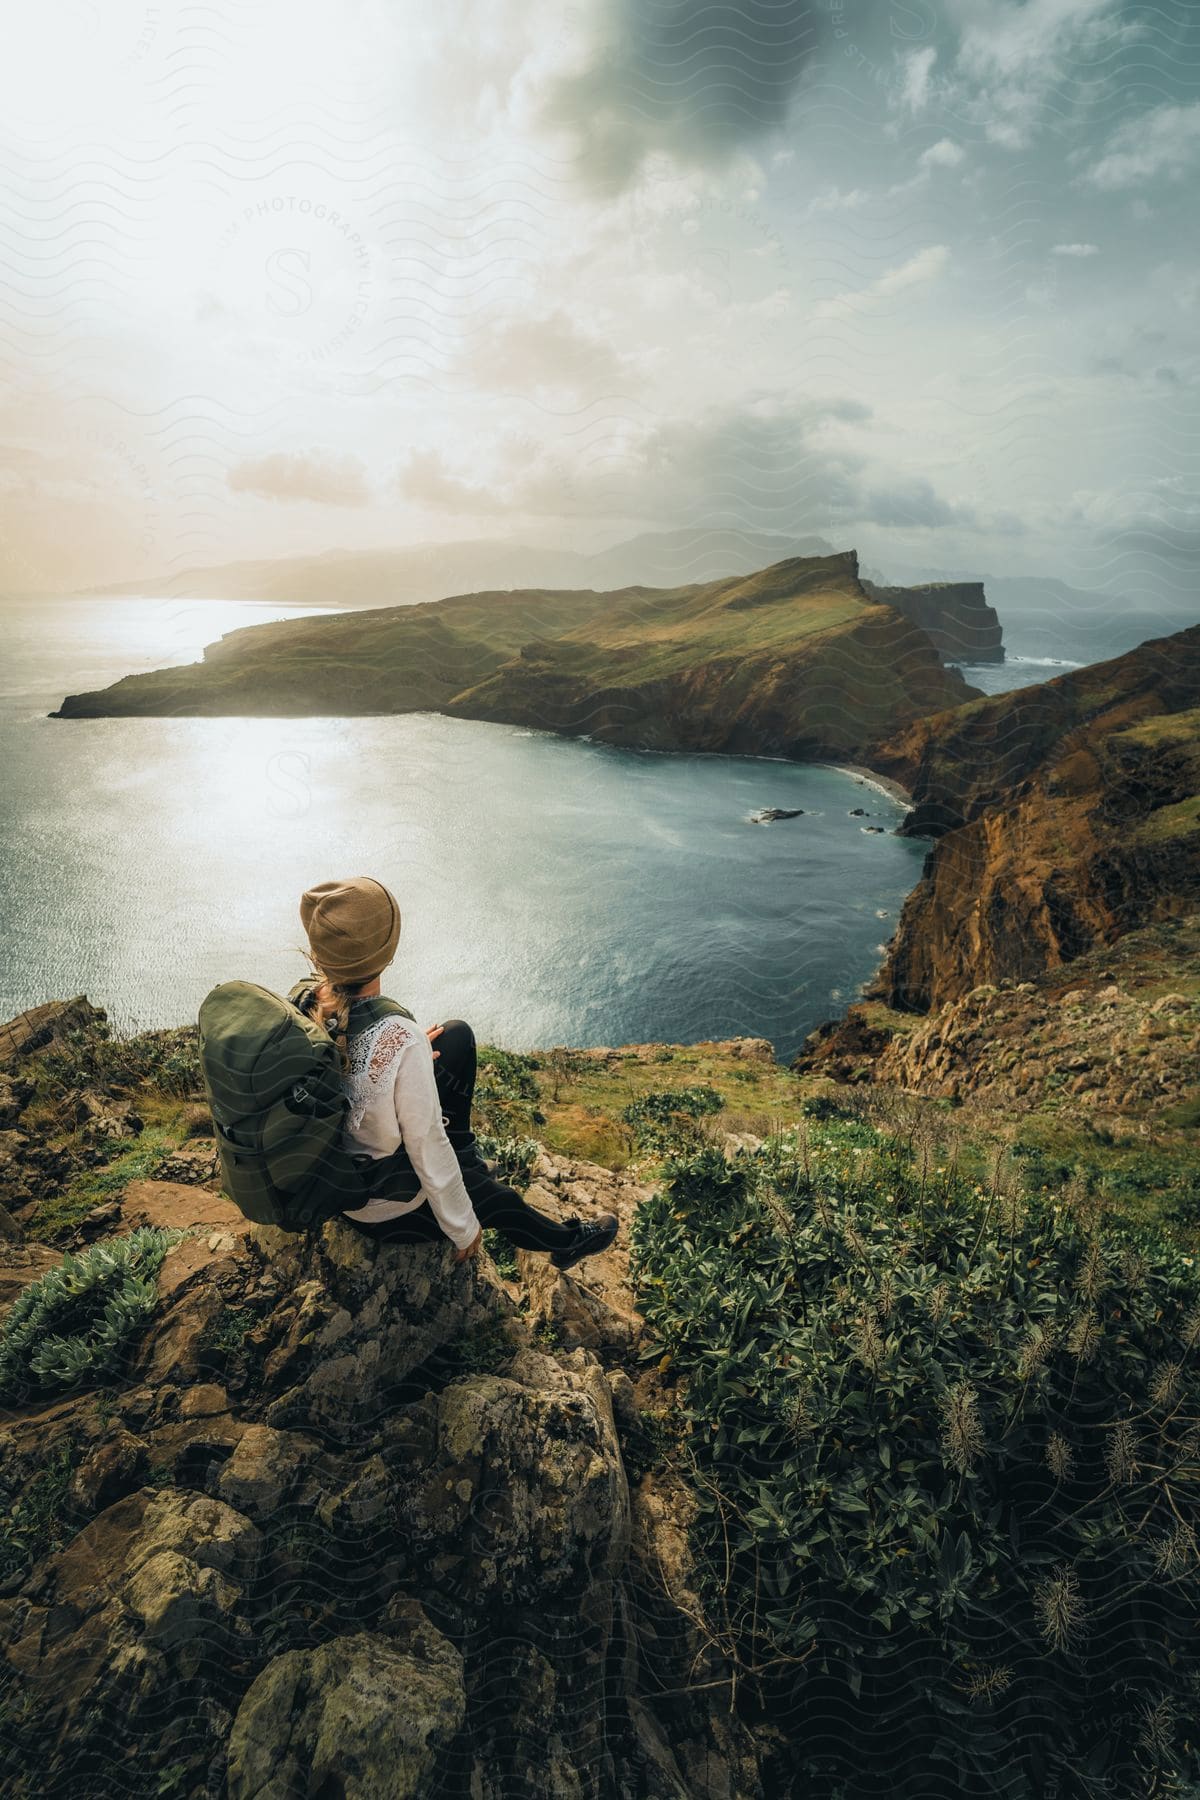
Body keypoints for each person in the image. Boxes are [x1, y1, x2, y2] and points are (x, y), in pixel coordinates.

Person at [297, 876, 618, 1270]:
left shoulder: (309, 1001)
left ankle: (468, 1160)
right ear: (386, 950)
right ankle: (565, 1243)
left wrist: (405, 1062)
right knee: (500, 1201)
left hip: (343, 1166)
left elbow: (359, 1084)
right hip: (384, 1208)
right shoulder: (402, 1038)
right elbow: (426, 1144)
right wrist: (464, 1226)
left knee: (455, 1036)